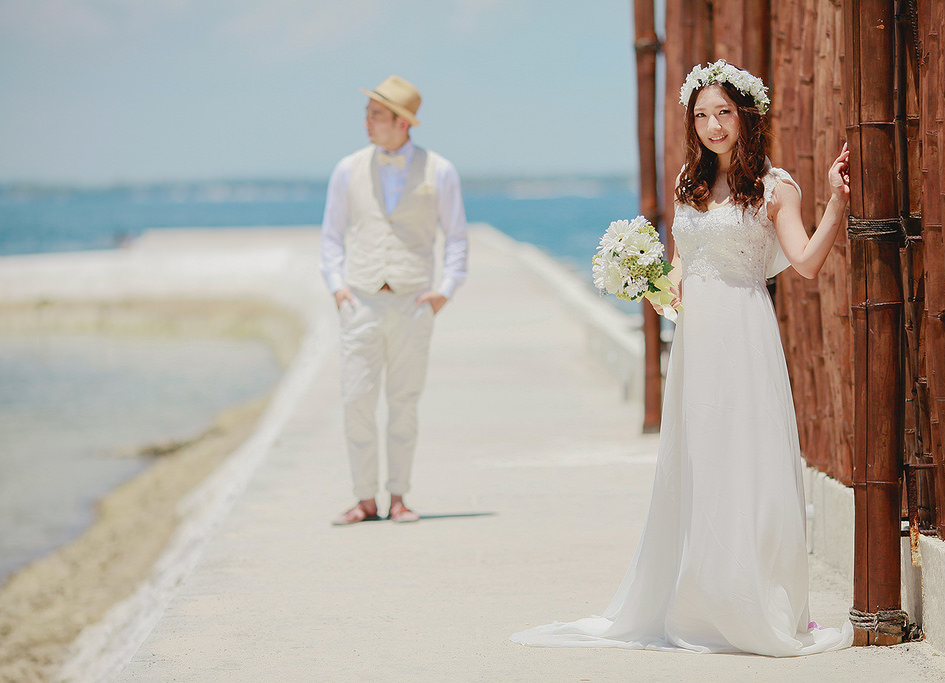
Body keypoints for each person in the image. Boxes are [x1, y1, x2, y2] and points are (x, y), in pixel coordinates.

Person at [511, 60, 854, 655]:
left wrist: (836, 203)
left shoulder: (775, 188)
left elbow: (804, 262)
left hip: (744, 331)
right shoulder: (686, 186)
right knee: (699, 460)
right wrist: (647, 280)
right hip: (697, 341)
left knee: (748, 459)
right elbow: (683, 269)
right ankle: (699, 598)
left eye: (724, 113)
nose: (713, 126)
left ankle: (751, 598)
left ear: (747, 115)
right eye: (702, 115)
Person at [319, 75, 468, 525]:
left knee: (404, 402)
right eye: (367, 114)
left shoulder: (440, 170)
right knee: (356, 401)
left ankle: (399, 497)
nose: (367, 122)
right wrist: (338, 288)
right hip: (361, 300)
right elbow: (332, 235)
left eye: (376, 115)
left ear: (402, 123)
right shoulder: (347, 169)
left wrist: (444, 292)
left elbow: (456, 237)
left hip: (412, 303)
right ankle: (364, 499)